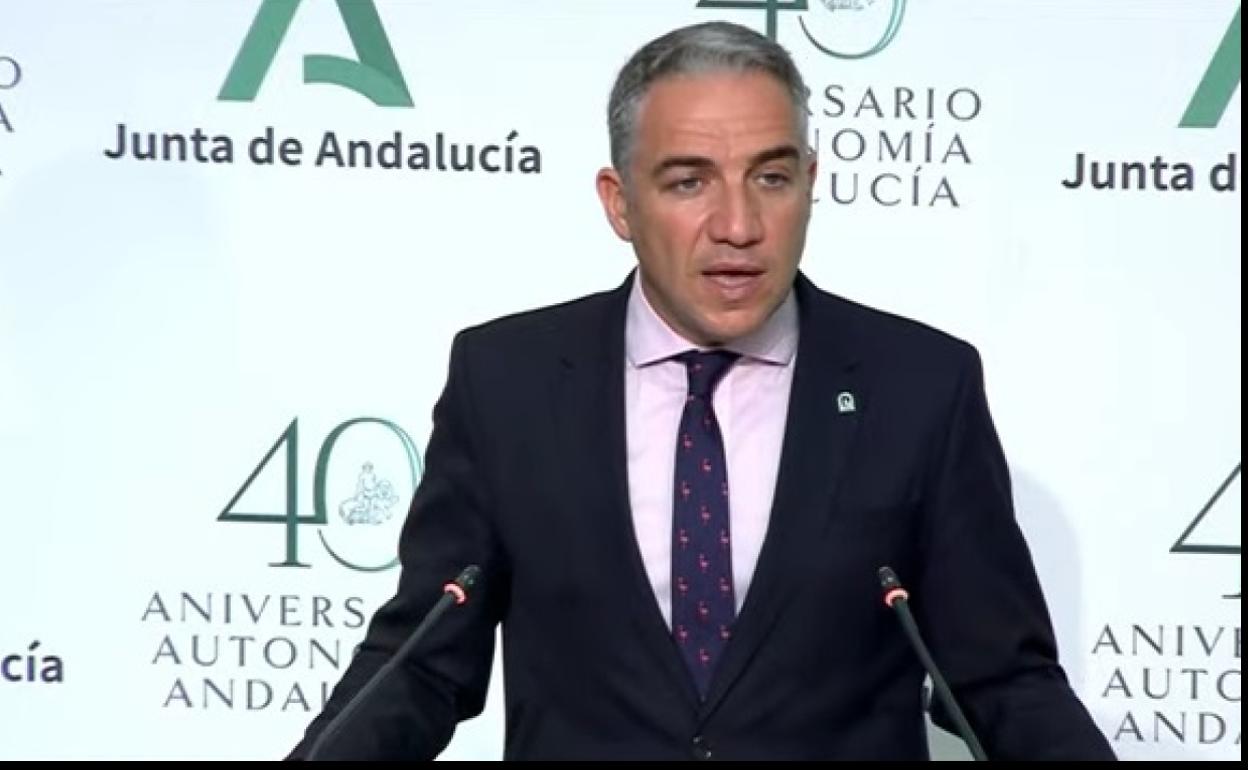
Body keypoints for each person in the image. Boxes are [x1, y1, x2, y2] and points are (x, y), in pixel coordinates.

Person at [288, 21, 1115, 761]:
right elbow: (422, 662)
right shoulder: (507, 382)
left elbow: (1002, 680)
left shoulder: (920, 386)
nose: (738, 226)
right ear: (620, 202)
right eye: (689, 182)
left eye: (771, 178)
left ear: (811, 183)